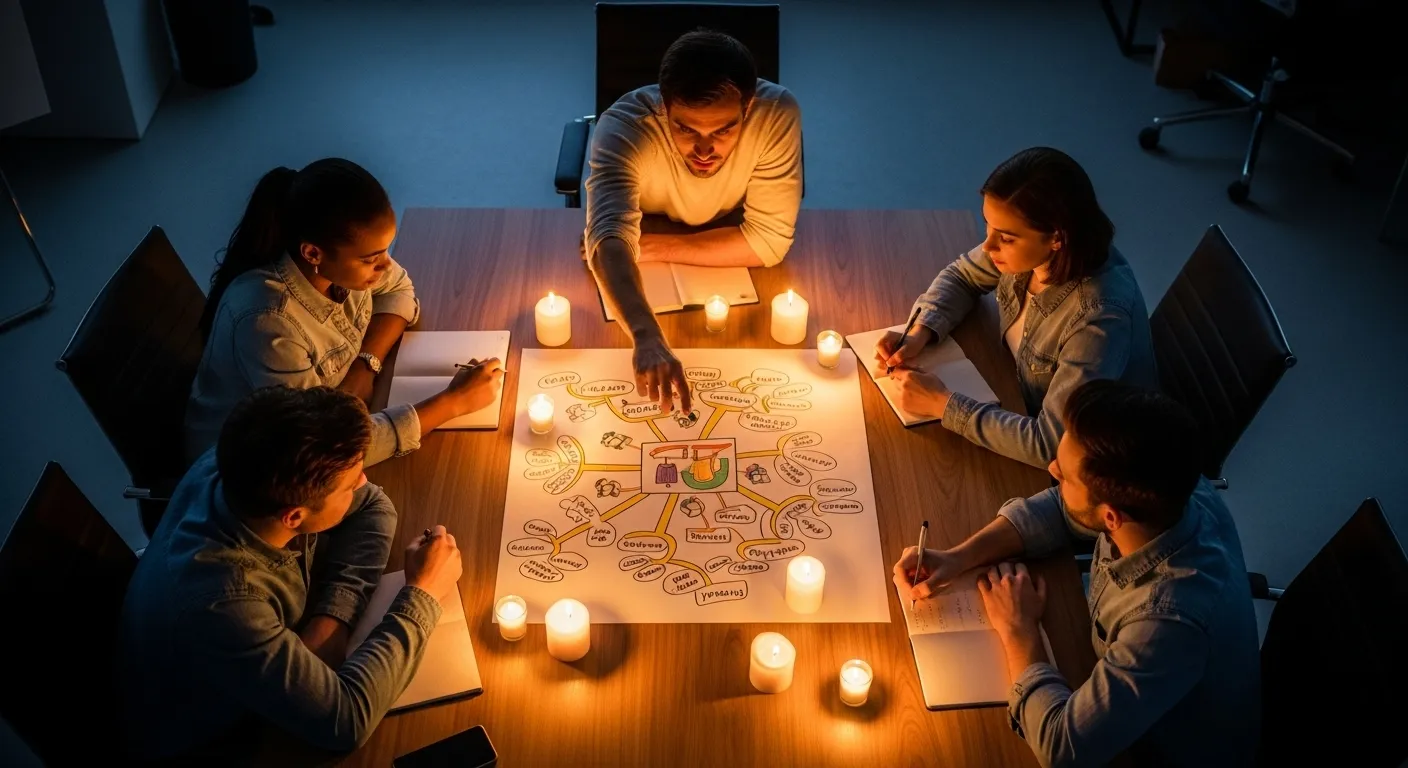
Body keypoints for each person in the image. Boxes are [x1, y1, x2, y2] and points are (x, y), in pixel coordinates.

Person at [893, 381, 1259, 767]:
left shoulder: (1166, 623)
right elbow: (1062, 509)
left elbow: (1062, 748)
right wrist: (958, 557)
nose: (1051, 470)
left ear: (1111, 518)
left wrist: (1020, 630)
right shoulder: (1167, 485)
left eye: (1064, 476)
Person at [119, 386, 464, 760]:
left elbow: (373, 507)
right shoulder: (223, 603)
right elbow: (345, 723)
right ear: (294, 517)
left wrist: (332, 622)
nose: (363, 483)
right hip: (225, 739)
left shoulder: (244, 464)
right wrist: (423, 593)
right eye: (350, 484)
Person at [185, 157, 502, 467]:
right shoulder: (270, 324)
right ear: (313, 253)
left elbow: (398, 290)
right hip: (251, 473)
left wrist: (364, 368)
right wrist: (453, 402)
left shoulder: (337, 268)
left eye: (386, 250)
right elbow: (325, 450)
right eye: (370, 258)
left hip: (317, 429)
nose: (386, 264)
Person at [875, 147, 1155, 468]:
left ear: (1056, 238)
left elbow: (1051, 445)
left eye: (1006, 238)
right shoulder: (1029, 252)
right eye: (987, 226)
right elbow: (962, 275)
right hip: (1012, 392)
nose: (989, 246)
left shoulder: (1098, 317)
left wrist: (941, 404)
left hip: (1097, 469)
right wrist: (920, 333)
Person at [585, 30, 804, 414]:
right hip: (664, 224)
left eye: (724, 130)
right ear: (664, 108)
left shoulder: (777, 112)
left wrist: (650, 245)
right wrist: (646, 335)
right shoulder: (623, 126)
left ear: (749, 107)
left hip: (714, 225)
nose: (705, 150)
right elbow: (606, 240)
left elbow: (768, 243)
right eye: (686, 129)